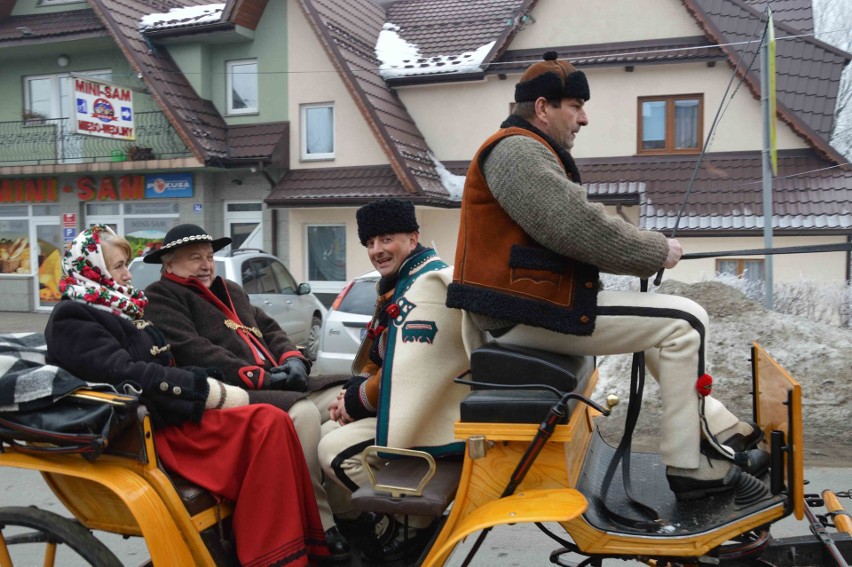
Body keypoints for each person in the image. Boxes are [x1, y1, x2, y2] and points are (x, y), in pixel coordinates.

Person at [446, 52, 767, 501]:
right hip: (521, 312)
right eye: (575, 106)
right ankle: (694, 468)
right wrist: (654, 250)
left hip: (529, 304)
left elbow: (570, 224)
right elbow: (573, 223)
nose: (584, 118)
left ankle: (717, 425)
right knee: (685, 321)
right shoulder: (515, 150)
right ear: (543, 108)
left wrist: (644, 250)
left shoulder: (525, 149)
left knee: (669, 323)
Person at [44, 225, 329, 566]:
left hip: (173, 412)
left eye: (124, 265)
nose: (126, 275)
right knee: (271, 423)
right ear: (92, 270)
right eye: (118, 266)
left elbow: (168, 361)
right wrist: (208, 390)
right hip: (146, 432)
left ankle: (288, 545)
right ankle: (273, 556)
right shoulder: (73, 317)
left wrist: (284, 363)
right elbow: (126, 372)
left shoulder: (123, 308)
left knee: (272, 420)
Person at [140, 224, 350, 562]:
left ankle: (348, 509)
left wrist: (292, 360)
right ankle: (324, 525)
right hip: (233, 394)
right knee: (304, 415)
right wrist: (259, 378)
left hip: (279, 382)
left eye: (209, 256)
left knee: (347, 395)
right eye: (195, 258)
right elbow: (195, 351)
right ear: (169, 263)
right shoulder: (161, 297)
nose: (206, 265)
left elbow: (269, 328)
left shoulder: (231, 289)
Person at [317, 199, 472, 562]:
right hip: (421, 403)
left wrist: (355, 401)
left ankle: (412, 526)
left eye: (386, 239)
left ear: (413, 236)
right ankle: (360, 529)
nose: (376, 251)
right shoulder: (405, 280)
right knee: (323, 431)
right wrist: (353, 396)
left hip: (437, 415)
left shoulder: (426, 285)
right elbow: (385, 360)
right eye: (370, 243)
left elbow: (410, 368)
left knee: (333, 454)